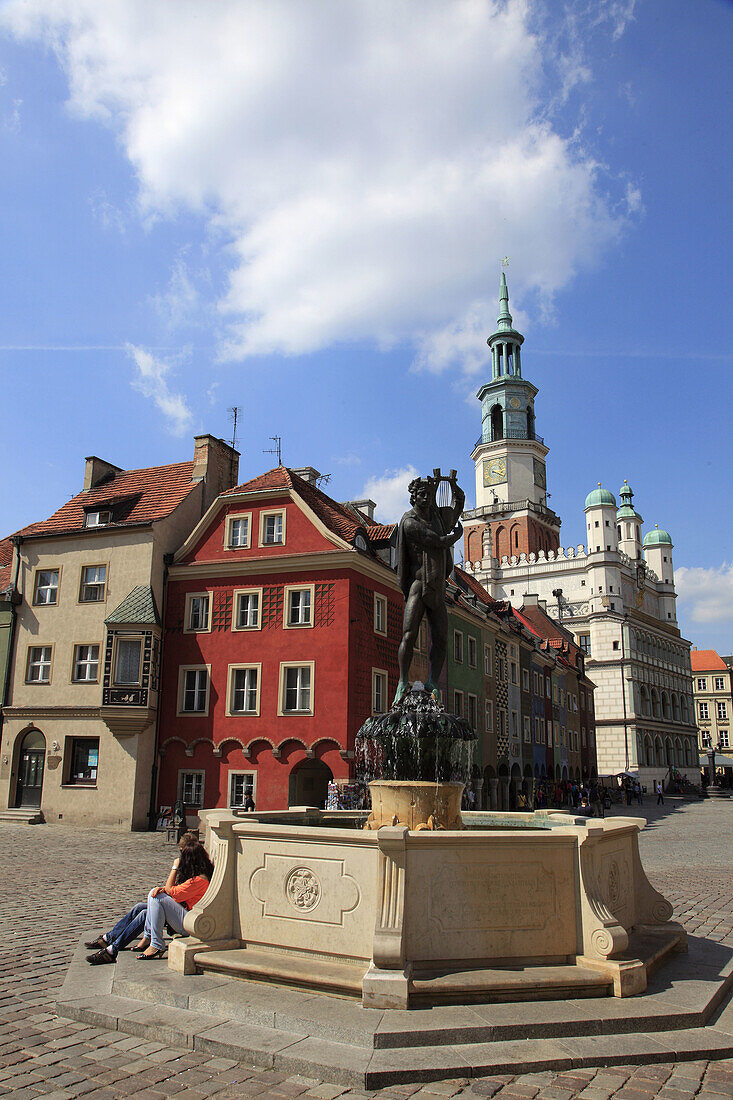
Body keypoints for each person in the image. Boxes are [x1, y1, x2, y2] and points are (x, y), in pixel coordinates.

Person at [393, 475, 464, 705]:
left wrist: (453, 487)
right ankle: (403, 681)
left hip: (436, 586)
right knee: (409, 634)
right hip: (417, 584)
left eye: (428, 494)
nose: (426, 498)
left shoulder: (437, 516)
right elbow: (436, 540)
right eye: (422, 495)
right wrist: (455, 536)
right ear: (413, 497)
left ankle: (432, 681)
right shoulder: (410, 521)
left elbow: (458, 505)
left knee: (441, 638)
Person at [86, 832, 200, 965]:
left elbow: (175, 892)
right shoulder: (191, 868)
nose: (181, 856)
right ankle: (110, 940)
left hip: (186, 917)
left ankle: (120, 946)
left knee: (150, 904)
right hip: (180, 908)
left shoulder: (196, 873)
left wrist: (174, 868)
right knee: (139, 907)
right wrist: (165, 889)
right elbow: (176, 890)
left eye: (183, 852)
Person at [138, 841, 215, 959]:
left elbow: (172, 892)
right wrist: (164, 889)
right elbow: (173, 891)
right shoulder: (203, 876)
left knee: (155, 897)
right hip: (193, 918)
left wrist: (174, 867)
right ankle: (150, 939)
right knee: (152, 899)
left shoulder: (198, 881)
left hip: (192, 923)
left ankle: (155, 943)